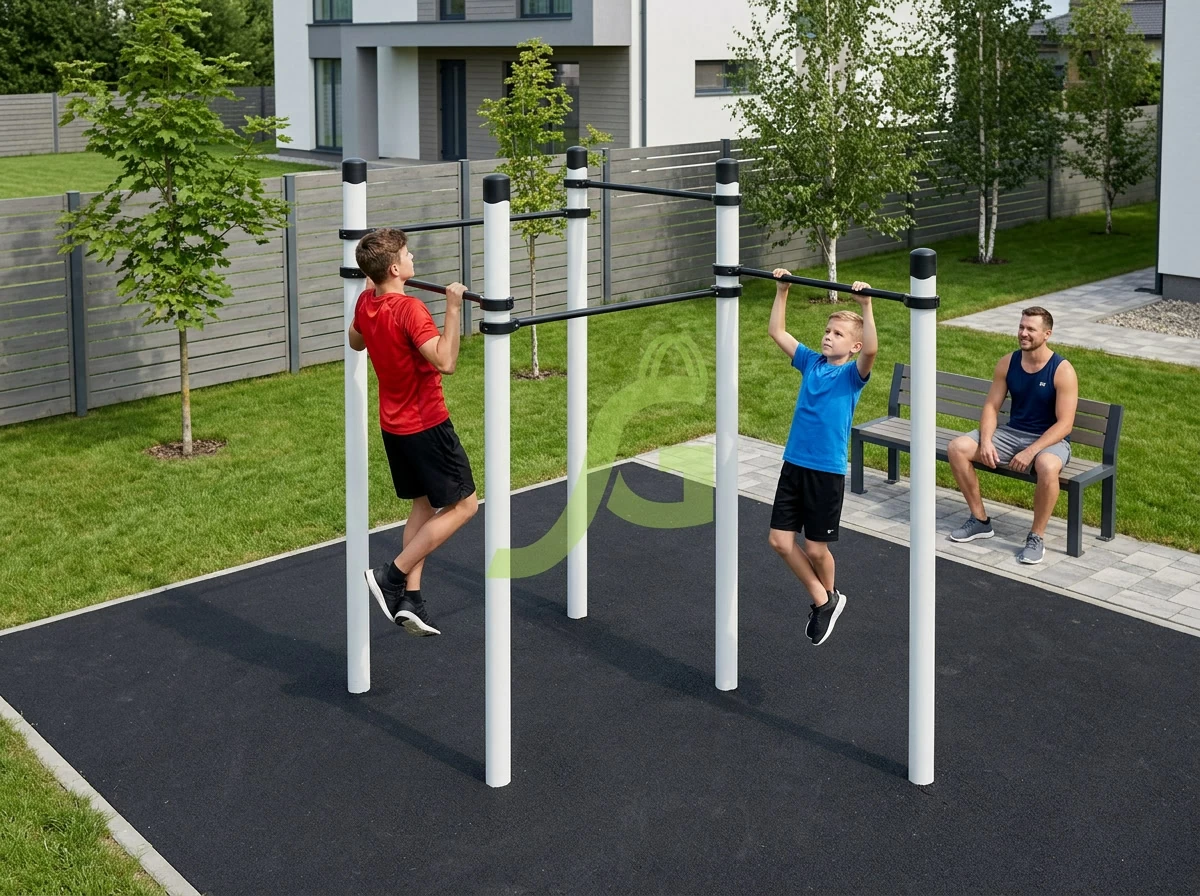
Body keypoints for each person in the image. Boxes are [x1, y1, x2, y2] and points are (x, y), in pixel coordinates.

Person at [348, 228, 478, 636]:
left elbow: (355, 342)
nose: (412, 257)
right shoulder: (410, 310)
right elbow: (446, 362)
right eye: (407, 254)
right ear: (394, 268)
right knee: (465, 506)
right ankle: (392, 574)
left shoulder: (366, 303)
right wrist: (453, 308)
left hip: (395, 429)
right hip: (427, 426)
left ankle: (411, 599)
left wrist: (370, 293)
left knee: (423, 506)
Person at [767, 269, 877, 647]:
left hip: (826, 471)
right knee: (780, 541)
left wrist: (866, 305)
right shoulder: (811, 363)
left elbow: (873, 351)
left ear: (854, 346)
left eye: (838, 334)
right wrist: (783, 290)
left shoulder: (851, 376)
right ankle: (825, 600)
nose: (828, 336)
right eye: (828, 331)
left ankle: (827, 599)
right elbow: (777, 332)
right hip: (794, 464)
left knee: (816, 548)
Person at [946, 306, 1078, 565]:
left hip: (1051, 439)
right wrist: (986, 441)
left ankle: (1036, 537)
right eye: (1021, 327)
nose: (1023, 333)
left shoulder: (1062, 370)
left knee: (1046, 466)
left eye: (1031, 329)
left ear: (1047, 334)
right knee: (957, 448)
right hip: (1011, 433)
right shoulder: (1008, 362)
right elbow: (991, 406)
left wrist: (1031, 451)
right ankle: (980, 521)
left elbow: (1065, 424)